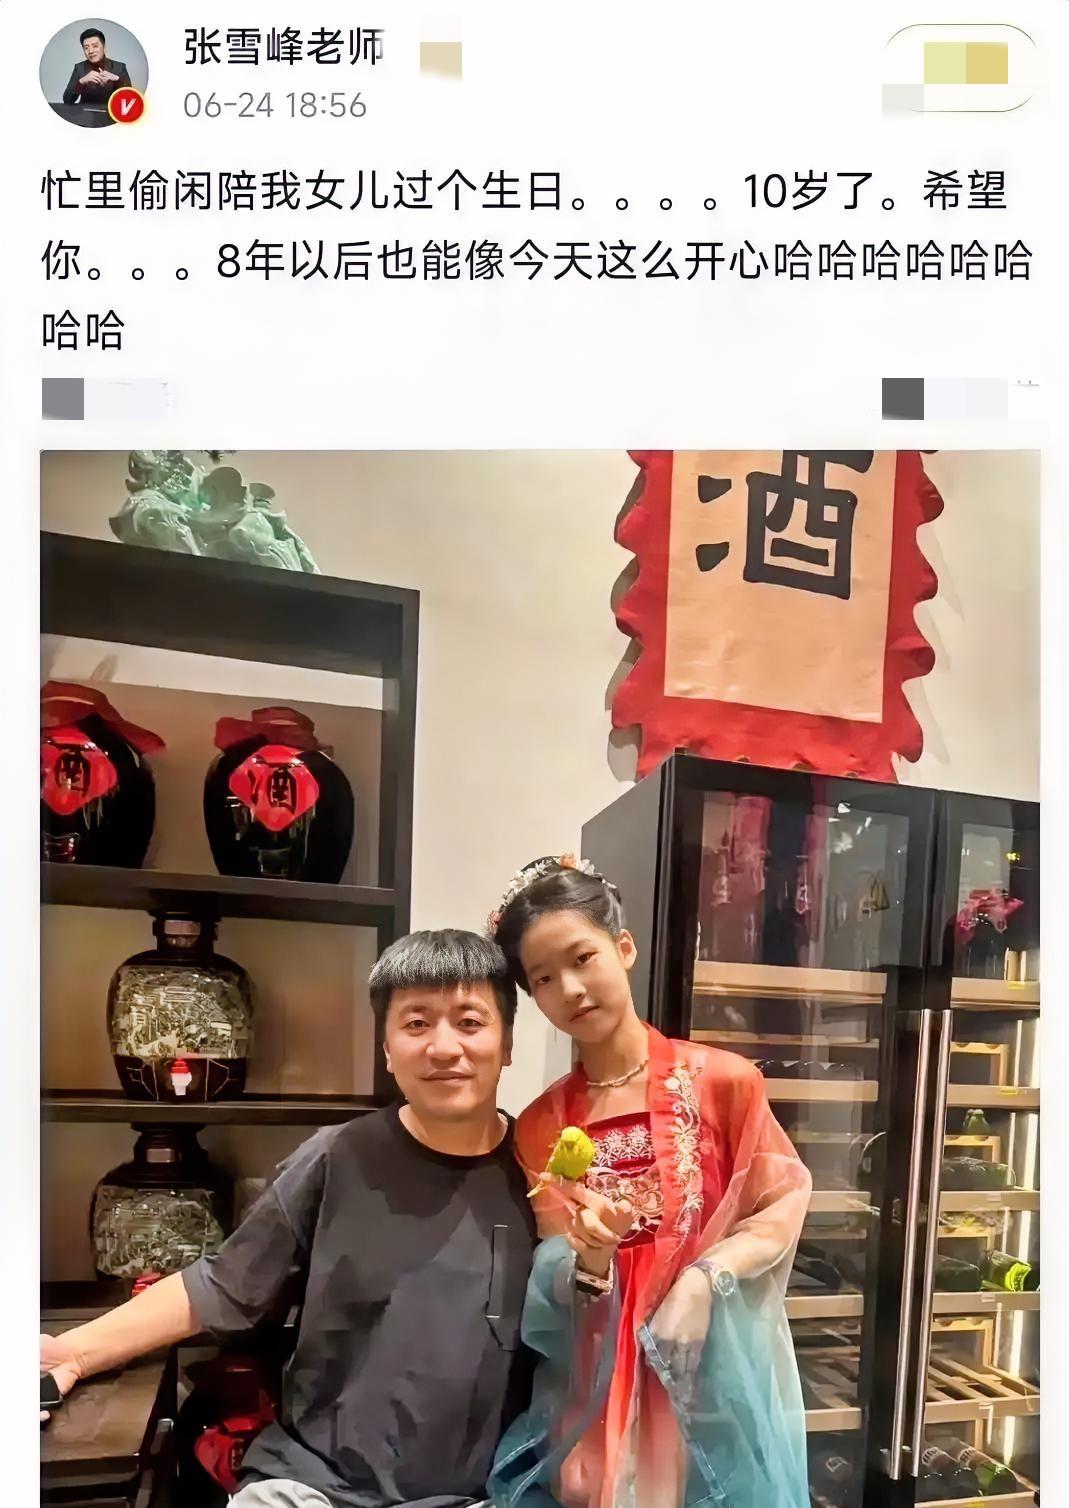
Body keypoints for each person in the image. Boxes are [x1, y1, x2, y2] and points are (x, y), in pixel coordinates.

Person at [41, 930, 540, 1508]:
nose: (444, 1047)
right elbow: (222, 1285)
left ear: (507, 1043)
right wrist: (72, 1352)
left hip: (478, 1496)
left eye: (470, 1022)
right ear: (386, 1048)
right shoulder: (336, 1157)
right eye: (416, 1023)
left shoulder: (540, 1173)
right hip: (313, 1483)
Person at [486, 857, 813, 1508]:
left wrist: (705, 1278)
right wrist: (590, 1256)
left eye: (583, 958)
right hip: (599, 1382)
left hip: (705, 1366)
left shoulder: (723, 1082)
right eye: (543, 978)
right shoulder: (540, 1123)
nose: (570, 988)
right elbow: (553, 1264)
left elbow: (779, 1202)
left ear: (625, 948)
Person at [61, 28, 132, 109]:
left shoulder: (119, 67)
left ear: (104, 46)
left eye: (95, 46)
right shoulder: (79, 68)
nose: (90, 51)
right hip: (85, 113)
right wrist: (82, 81)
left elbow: (130, 100)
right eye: (86, 48)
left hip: (111, 113)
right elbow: (67, 100)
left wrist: (117, 79)